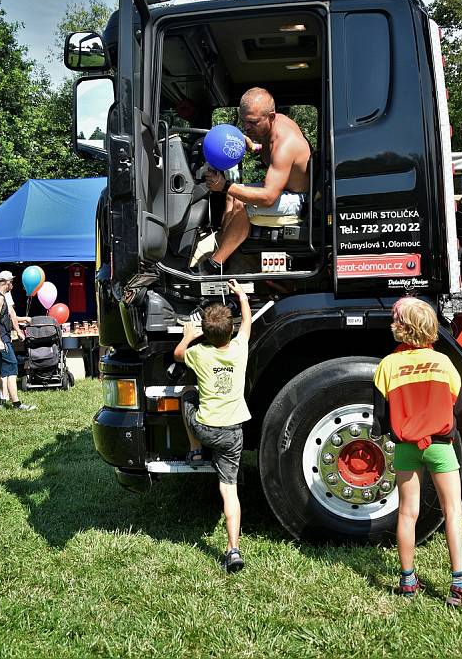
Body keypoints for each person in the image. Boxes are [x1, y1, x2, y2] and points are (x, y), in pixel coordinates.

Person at [372, 297, 462, 609]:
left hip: (406, 448)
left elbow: (379, 418)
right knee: (452, 510)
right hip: (441, 446)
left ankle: (408, 580)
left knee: (407, 513)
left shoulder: (387, 365)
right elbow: (461, 411)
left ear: (400, 329)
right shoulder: (444, 364)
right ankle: (460, 584)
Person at [174, 280, 251, 572]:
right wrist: (242, 296)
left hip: (206, 429)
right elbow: (247, 325)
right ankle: (233, 549)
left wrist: (187, 336)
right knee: (229, 489)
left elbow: (178, 355)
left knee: (187, 395)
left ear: (204, 332)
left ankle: (195, 451)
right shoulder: (240, 348)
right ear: (230, 331)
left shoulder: (199, 353)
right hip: (233, 433)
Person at [198, 87, 310, 274]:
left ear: (271, 117)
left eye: (252, 122)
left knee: (241, 201)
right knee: (231, 196)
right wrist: (255, 148)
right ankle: (227, 245)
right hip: (281, 190)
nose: (246, 128)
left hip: (297, 199)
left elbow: (267, 198)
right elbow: (272, 155)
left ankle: (214, 265)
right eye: (243, 121)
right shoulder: (270, 127)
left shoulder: (285, 143)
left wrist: (225, 185)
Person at [0, 271, 35, 411]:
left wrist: (18, 330)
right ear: (6, 282)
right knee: (12, 369)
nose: (12, 285)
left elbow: (11, 314)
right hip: (1, 339)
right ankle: (17, 404)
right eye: (11, 282)